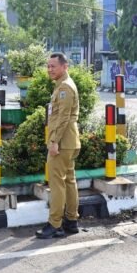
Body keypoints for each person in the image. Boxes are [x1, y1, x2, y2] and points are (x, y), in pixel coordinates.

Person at [36, 52, 81, 239]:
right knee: (69, 180)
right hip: (69, 140)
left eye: (53, 66)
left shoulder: (64, 88)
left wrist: (54, 142)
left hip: (62, 142)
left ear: (64, 66)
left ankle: (55, 224)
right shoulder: (63, 85)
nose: (50, 69)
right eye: (48, 66)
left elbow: (62, 118)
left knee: (57, 183)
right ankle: (71, 221)